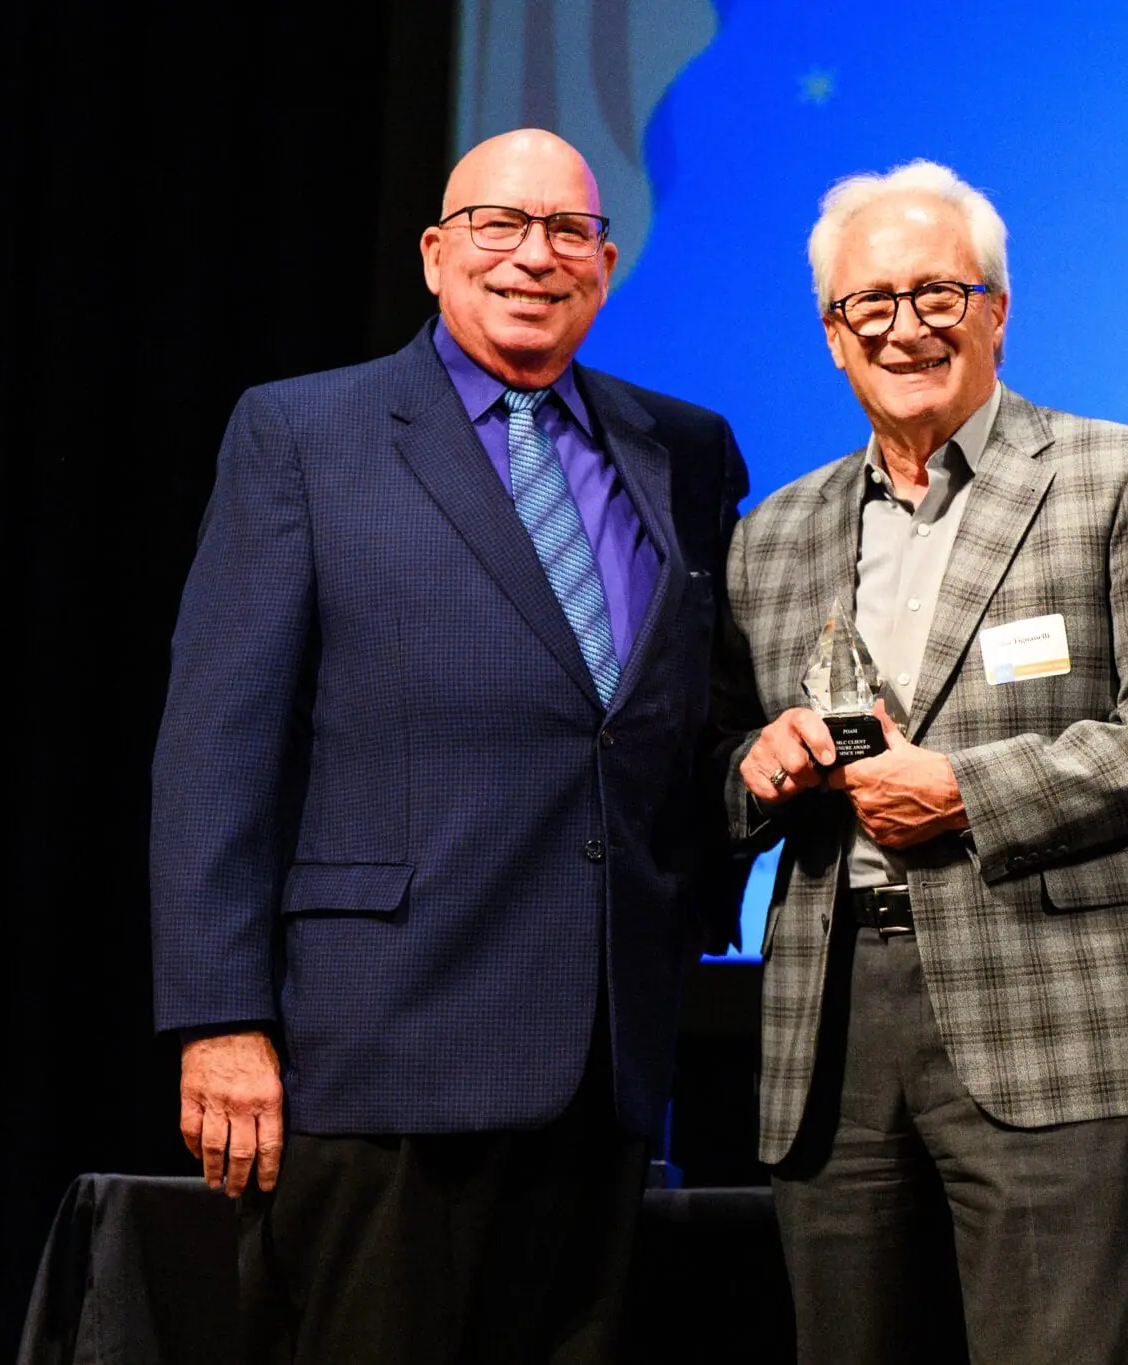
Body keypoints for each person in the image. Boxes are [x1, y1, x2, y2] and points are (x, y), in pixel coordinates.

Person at [149, 128, 746, 1363]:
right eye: (497, 225)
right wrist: (218, 1018)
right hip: (382, 1053)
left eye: (566, 232)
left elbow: (675, 723)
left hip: (605, 1066)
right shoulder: (304, 436)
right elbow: (216, 748)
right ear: (434, 253)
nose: (533, 256)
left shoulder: (682, 450)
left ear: (607, 259)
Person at [712, 160, 1128, 1364]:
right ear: (832, 337)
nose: (905, 327)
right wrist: (758, 764)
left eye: (936, 294)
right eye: (870, 305)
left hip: (1050, 1012)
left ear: (996, 310)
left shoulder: (1115, 475)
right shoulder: (773, 533)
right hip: (830, 1021)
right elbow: (708, 764)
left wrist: (968, 792)